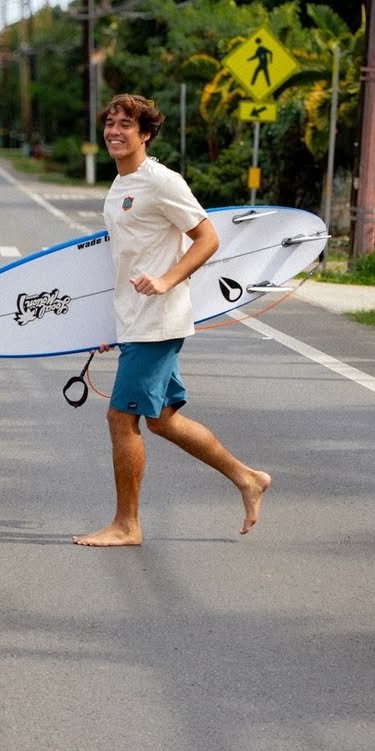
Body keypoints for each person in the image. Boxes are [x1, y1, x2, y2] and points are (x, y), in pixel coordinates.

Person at [73, 93, 271, 547]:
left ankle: (127, 525)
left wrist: (166, 280)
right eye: (110, 123)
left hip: (157, 321)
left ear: (146, 134)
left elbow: (206, 238)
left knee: (120, 419)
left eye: (127, 125)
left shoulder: (161, 181)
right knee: (162, 420)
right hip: (135, 319)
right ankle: (247, 478)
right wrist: (110, 324)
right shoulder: (121, 184)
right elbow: (125, 261)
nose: (115, 131)